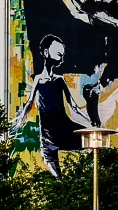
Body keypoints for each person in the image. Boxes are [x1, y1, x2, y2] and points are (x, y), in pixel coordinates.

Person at [15, 35, 91, 178]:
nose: (60, 58)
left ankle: (76, 174)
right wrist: (20, 120)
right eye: (58, 54)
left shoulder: (59, 80)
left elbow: (72, 105)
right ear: (45, 53)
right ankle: (69, 183)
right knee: (57, 177)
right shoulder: (38, 79)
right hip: (48, 135)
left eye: (61, 55)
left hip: (63, 128)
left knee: (92, 142)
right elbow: (30, 102)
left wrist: (89, 121)